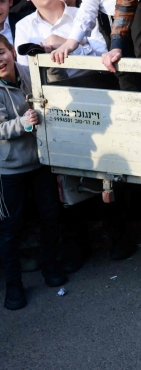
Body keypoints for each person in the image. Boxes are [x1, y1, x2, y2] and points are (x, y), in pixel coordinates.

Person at [0, 35, 63, 311]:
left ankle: (51, 269)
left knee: (51, 217)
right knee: (10, 230)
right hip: (9, 169)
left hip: (39, 161)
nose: (0, 59)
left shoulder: (29, 73)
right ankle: (14, 287)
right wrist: (23, 123)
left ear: (11, 51)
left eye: (1, 52)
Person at [14, 0, 107, 77]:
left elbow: (103, 59)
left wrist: (68, 45)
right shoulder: (23, 26)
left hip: (93, 84)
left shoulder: (84, 15)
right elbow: (26, 73)